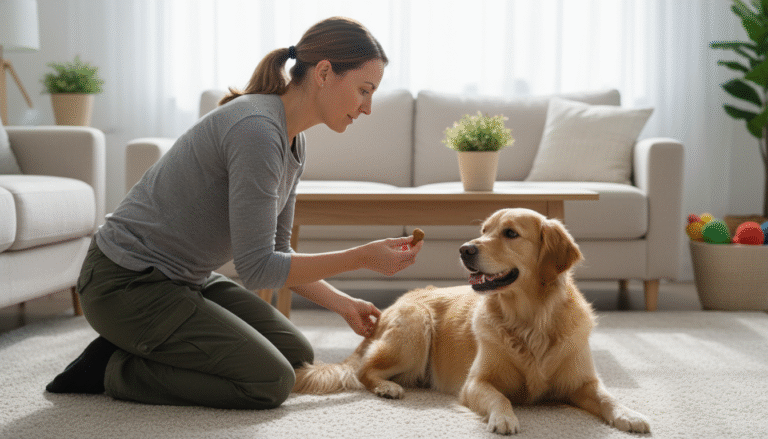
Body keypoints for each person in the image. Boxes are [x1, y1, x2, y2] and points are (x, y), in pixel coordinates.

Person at [46, 16, 423, 410]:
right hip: (123, 284)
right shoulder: (257, 130)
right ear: (325, 72)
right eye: (364, 90)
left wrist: (343, 304)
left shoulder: (294, 142)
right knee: (269, 381)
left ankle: (146, 343)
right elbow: (258, 269)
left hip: (181, 281)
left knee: (295, 351)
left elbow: (279, 253)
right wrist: (362, 257)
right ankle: (114, 367)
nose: (367, 108)